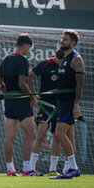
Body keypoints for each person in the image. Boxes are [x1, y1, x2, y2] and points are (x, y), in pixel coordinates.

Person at [0, 33, 38, 176]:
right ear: (25, 45)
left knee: (10, 136)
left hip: (9, 101)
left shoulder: (6, 59)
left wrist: (6, 90)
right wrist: (32, 97)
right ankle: (27, 169)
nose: (28, 51)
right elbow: (22, 83)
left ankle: (10, 169)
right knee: (30, 133)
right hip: (21, 101)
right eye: (29, 48)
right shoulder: (22, 60)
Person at [27, 48, 64, 176]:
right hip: (45, 106)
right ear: (56, 58)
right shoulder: (46, 64)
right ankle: (31, 167)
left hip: (59, 105)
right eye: (61, 61)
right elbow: (28, 76)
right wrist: (33, 95)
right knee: (41, 134)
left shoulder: (66, 66)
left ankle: (52, 169)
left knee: (57, 136)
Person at [53, 30, 84, 179]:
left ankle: (73, 167)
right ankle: (68, 169)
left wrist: (76, 104)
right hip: (61, 101)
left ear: (73, 43)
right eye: (62, 38)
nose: (62, 41)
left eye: (65, 39)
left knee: (59, 133)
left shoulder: (76, 59)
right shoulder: (64, 58)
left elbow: (80, 84)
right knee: (69, 136)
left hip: (69, 102)